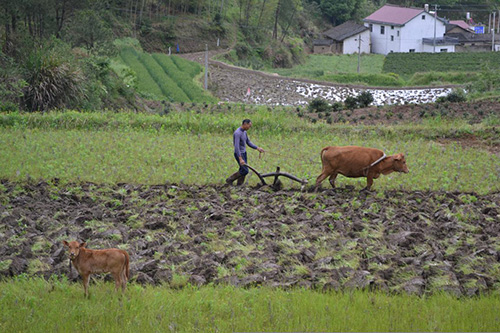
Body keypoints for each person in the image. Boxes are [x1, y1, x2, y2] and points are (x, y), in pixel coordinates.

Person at [226, 119, 265, 186]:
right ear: (245, 124)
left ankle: (239, 185)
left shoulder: (244, 132)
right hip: (239, 154)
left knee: (242, 170)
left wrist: (257, 148)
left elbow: (248, 142)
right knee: (245, 171)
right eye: (249, 126)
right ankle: (230, 179)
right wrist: (240, 158)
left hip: (244, 153)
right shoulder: (237, 133)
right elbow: (236, 147)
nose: (249, 128)